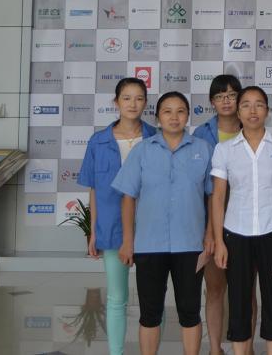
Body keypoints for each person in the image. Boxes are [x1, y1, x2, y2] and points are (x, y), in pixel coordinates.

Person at [113, 92, 214, 355]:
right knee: (149, 313)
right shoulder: (143, 150)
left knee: (190, 311)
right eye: (167, 111)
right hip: (149, 244)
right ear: (157, 117)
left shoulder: (203, 149)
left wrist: (210, 235)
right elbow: (128, 197)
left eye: (180, 111)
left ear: (188, 115)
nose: (174, 117)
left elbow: (213, 196)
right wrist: (128, 241)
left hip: (190, 244)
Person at [211, 86, 272, 355]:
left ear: (267, 111)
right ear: (238, 111)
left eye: (259, 104)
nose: (252, 110)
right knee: (238, 300)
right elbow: (218, 197)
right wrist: (219, 241)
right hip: (235, 234)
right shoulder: (224, 149)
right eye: (246, 105)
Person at [77, 77, 157, 355]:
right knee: (116, 297)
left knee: (152, 301)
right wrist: (93, 231)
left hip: (151, 229)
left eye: (139, 98)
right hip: (112, 228)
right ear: (116, 102)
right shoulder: (98, 141)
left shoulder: (156, 138)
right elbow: (94, 189)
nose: (133, 104)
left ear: (145, 103)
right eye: (126, 98)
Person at [193, 74, 246, 355]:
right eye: (220, 96)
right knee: (214, 289)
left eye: (232, 95)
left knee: (245, 292)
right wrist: (209, 231)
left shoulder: (253, 128)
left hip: (247, 223)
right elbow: (199, 187)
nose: (226, 101)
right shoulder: (201, 135)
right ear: (212, 102)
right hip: (211, 225)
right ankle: (215, 348)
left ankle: (245, 348)